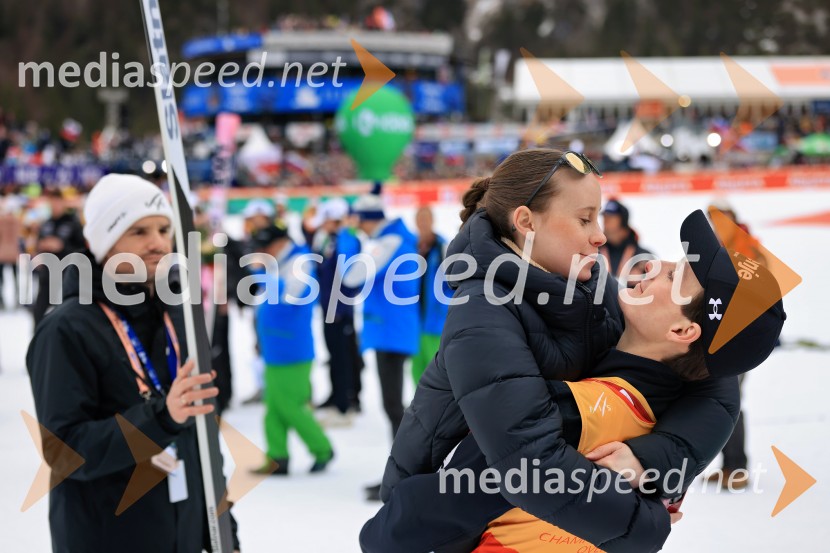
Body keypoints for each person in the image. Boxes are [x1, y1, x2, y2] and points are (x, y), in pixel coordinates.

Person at [378, 149, 741, 552]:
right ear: (526, 223)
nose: (600, 234)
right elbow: (527, 462)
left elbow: (715, 371)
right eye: (585, 219)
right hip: (439, 525)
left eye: (599, 217)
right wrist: (644, 522)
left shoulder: (593, 290)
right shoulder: (483, 310)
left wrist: (654, 461)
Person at [26, 173, 240, 552]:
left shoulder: (179, 315)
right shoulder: (67, 329)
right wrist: (161, 419)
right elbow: (65, 452)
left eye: (163, 229)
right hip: (107, 536)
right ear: (105, 244)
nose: (157, 242)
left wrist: (223, 530)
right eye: (138, 232)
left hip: (183, 533)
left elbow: (202, 438)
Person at [342, 192, 420, 501]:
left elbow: (351, 277)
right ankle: (402, 475)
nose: (356, 227)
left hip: (392, 332)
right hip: (392, 330)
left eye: (356, 222)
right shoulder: (393, 238)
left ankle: (403, 477)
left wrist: (349, 243)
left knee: (393, 407)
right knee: (393, 407)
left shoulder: (387, 242)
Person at [249, 223, 334, 475]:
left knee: (291, 406)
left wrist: (264, 275)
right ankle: (278, 456)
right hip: (275, 347)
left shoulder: (300, 263)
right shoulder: (281, 263)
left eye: (266, 247)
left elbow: (289, 300)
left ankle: (323, 448)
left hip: (292, 349)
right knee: (274, 407)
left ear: (278, 243)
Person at [704, 198, 767, 490]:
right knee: (722, 400)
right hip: (718, 336)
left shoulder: (749, 249)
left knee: (730, 400)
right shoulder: (713, 250)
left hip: (740, 336)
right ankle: (729, 465)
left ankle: (737, 467)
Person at [311, 198, 364, 426]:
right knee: (334, 354)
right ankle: (337, 396)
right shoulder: (328, 240)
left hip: (341, 309)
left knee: (343, 356)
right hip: (328, 307)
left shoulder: (347, 240)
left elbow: (349, 273)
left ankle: (345, 403)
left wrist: (343, 230)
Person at [32, 187, 86, 324]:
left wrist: (62, 247)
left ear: (62, 203)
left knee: (64, 314)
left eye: (57, 202)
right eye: (51, 202)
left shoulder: (73, 223)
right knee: (38, 312)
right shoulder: (46, 223)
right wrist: (41, 248)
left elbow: (81, 249)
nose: (54, 206)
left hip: (66, 276)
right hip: (47, 276)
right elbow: (38, 244)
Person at [411, 205, 451, 384]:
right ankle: (419, 409)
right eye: (420, 219)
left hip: (435, 322)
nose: (423, 223)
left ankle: (437, 410)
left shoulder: (442, 247)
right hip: (414, 321)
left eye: (426, 219)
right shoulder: (411, 247)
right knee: (415, 370)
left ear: (432, 221)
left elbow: (453, 284)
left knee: (436, 370)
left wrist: (442, 309)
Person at [599, 198, 653, 282]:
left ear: (623, 222)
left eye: (610, 217)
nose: (605, 222)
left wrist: (641, 279)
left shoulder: (644, 256)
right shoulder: (595, 253)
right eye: (605, 217)